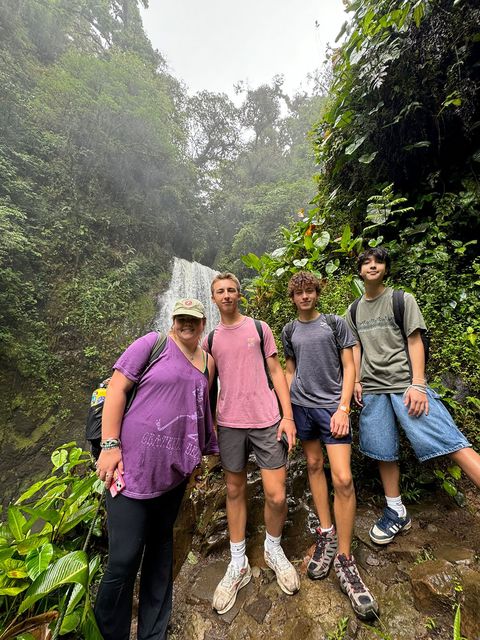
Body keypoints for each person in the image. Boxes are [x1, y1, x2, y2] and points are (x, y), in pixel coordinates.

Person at [94, 298, 218, 640]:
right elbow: (117, 389)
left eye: (193, 320)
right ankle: (110, 633)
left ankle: (153, 633)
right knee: (123, 559)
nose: (186, 324)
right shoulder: (152, 343)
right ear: (173, 319)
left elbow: (199, 411)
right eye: (181, 318)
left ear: (203, 323)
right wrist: (109, 445)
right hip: (130, 469)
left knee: (161, 555)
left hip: (173, 476)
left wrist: (196, 460)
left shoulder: (208, 363)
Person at [347, 247, 480, 545]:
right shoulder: (353, 310)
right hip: (374, 390)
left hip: (406, 386)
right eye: (366, 262)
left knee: (451, 441)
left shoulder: (401, 299)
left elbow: (414, 341)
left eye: (378, 261)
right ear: (359, 271)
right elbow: (355, 348)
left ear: (386, 268)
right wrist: (356, 380)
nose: (372, 266)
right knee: (383, 452)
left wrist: (418, 384)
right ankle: (396, 511)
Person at [281, 272, 378, 620]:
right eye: (299, 292)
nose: (305, 296)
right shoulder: (289, 331)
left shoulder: (335, 324)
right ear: (292, 297)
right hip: (302, 408)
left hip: (331, 408)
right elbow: (290, 370)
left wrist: (342, 407)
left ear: (317, 294)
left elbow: (349, 366)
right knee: (313, 466)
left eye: (310, 290)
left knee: (344, 478)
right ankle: (326, 533)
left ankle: (345, 558)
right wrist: (285, 411)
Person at [204, 272, 299, 615]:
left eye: (231, 290)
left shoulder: (259, 328)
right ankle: (238, 562)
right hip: (228, 423)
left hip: (266, 419)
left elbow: (276, 373)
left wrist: (287, 416)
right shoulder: (210, 338)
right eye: (220, 291)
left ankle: (273, 549)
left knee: (276, 493)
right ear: (213, 298)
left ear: (239, 295)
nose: (226, 295)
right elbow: (206, 384)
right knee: (234, 491)